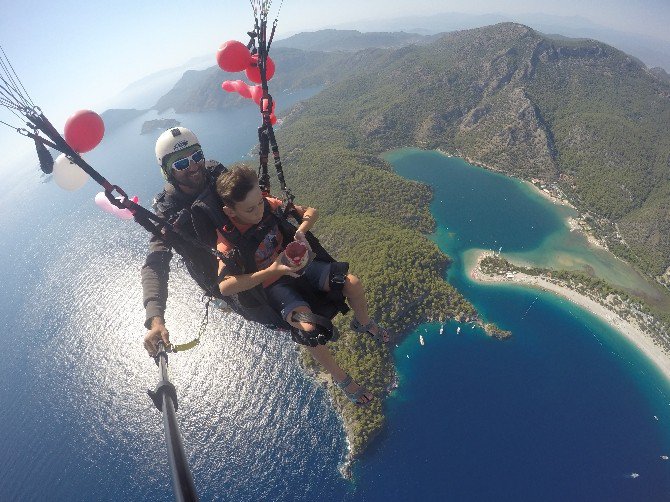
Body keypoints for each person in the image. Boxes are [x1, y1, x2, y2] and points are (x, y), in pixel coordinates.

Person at [215, 165, 390, 406]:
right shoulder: (227, 240)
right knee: (308, 330)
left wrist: (300, 231)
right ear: (230, 211)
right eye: (250, 209)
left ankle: (362, 322)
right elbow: (224, 287)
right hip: (274, 286)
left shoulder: (268, 205)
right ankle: (341, 379)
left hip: (300, 266)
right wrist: (271, 270)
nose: (258, 211)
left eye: (260, 202)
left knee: (352, 283)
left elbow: (311, 212)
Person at [142, 127, 227, 356]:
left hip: (251, 253)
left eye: (197, 157)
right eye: (180, 164)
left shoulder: (216, 174)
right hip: (221, 279)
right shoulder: (167, 212)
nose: (193, 166)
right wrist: (155, 318)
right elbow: (155, 262)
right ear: (168, 171)